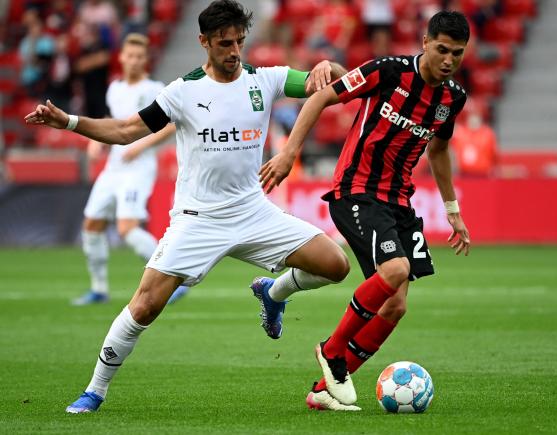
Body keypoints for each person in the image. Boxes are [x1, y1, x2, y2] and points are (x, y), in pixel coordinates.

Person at [26, 0, 350, 414]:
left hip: (253, 211)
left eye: (239, 42)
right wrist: (69, 122)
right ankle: (95, 390)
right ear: (203, 42)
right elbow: (126, 130)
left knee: (335, 264)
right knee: (144, 305)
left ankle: (274, 291)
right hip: (198, 220)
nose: (234, 51)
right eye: (223, 43)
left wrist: (331, 68)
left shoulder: (267, 79)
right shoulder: (183, 91)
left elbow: (341, 87)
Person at [259, 10, 472, 409]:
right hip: (356, 191)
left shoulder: (451, 99)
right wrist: (288, 153)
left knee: (396, 303)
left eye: (457, 54)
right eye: (442, 49)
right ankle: (331, 351)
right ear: (425, 42)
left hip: (399, 202)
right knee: (396, 270)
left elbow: (439, 149)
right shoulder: (388, 71)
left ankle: (324, 392)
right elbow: (323, 95)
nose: (448, 60)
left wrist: (452, 208)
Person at [72, 33, 184, 306]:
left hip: (138, 168)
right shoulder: (115, 89)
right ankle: (99, 289)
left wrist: (141, 146)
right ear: (121, 57)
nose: (133, 61)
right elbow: (114, 122)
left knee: (127, 228)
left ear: (145, 60)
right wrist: (98, 143)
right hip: (113, 168)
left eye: (139, 57)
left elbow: (170, 124)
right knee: (92, 224)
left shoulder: (154, 88)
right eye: (129, 56)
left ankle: (173, 278)